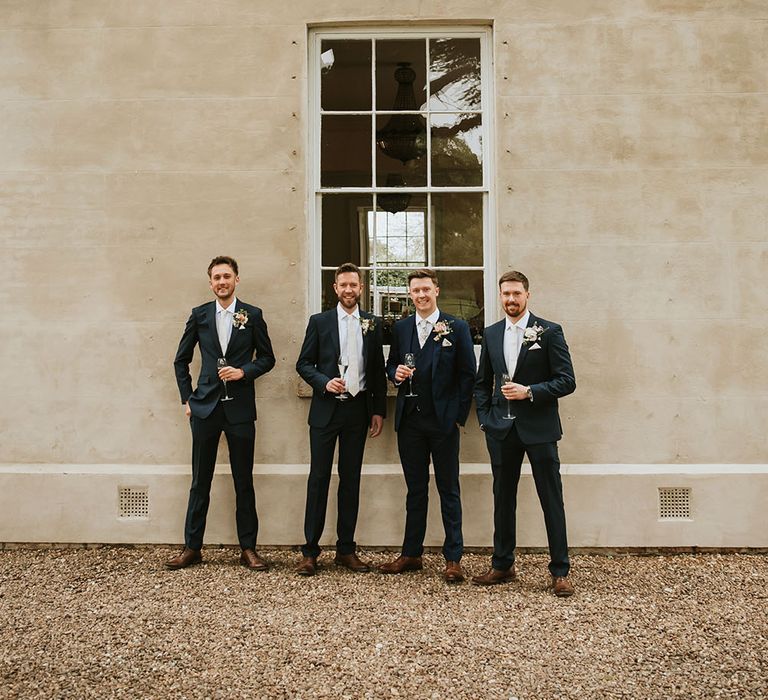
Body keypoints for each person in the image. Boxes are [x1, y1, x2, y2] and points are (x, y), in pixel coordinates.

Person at [167, 256, 275, 570]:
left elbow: (268, 358)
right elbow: (180, 361)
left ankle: (248, 548)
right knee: (201, 480)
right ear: (211, 282)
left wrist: (244, 372)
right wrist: (188, 399)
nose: (221, 282)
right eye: (216, 277)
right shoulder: (199, 315)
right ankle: (192, 546)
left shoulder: (252, 315)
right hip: (205, 408)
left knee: (244, 480)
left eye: (226, 276)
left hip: (240, 409)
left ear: (237, 279)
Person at [473, 270, 576, 596]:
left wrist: (530, 391)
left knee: (551, 499)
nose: (511, 300)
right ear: (500, 296)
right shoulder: (490, 334)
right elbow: (481, 383)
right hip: (501, 430)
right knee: (503, 499)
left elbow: (566, 380)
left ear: (527, 295)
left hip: (540, 430)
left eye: (517, 294)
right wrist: (485, 419)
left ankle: (560, 571)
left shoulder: (548, 331)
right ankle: (502, 564)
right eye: (506, 294)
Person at [380, 269, 476, 583]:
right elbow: (391, 363)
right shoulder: (402, 327)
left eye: (426, 289)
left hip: (443, 421)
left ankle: (453, 558)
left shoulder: (456, 327)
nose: (421, 295)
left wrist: (457, 416)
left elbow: (467, 376)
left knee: (449, 489)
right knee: (415, 490)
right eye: (415, 291)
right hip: (410, 421)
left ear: (436, 290)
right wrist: (396, 374)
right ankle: (411, 553)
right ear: (410, 294)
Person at [294, 262, 387, 576]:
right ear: (335, 288)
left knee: (351, 479)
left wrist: (378, 411)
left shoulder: (372, 323)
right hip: (325, 410)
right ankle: (310, 551)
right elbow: (303, 364)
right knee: (318, 479)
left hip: (357, 412)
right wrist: (323, 382)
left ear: (361, 288)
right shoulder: (319, 322)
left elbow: (376, 370)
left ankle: (346, 549)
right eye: (343, 285)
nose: (349, 290)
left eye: (354, 285)